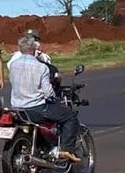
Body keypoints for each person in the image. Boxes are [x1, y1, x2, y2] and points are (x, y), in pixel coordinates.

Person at [8, 34, 81, 163]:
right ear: (34, 49)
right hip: (36, 108)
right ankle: (65, 150)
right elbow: (48, 92)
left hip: (17, 107)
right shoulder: (41, 67)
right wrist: (55, 98)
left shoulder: (13, 65)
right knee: (69, 116)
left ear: (20, 49)